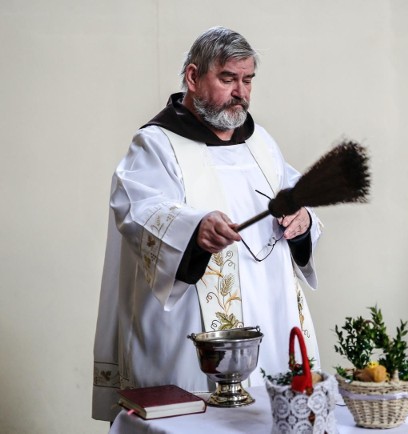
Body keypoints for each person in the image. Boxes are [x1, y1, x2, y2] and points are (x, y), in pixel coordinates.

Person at [92, 26, 322, 422]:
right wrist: (194, 227)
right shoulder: (157, 143)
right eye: (227, 78)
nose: (241, 92)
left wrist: (302, 222)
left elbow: (297, 198)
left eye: (247, 80)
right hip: (190, 336)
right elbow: (135, 209)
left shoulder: (260, 143)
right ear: (194, 77)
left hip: (271, 321)